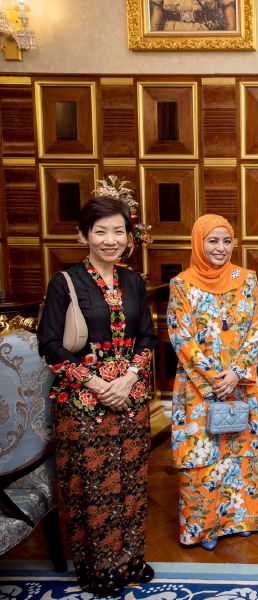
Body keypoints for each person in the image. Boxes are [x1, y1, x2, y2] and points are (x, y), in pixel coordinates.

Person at [37, 196, 156, 595]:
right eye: (100, 231)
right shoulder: (65, 282)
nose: (110, 239)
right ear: (83, 235)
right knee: (94, 485)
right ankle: (100, 565)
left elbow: (147, 337)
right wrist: (96, 383)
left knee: (132, 482)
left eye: (118, 231)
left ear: (128, 236)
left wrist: (129, 379)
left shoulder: (134, 280)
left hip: (131, 399)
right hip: (84, 404)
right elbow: (50, 344)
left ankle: (132, 557)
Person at [167, 214, 258, 551]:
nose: (220, 248)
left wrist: (236, 373)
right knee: (202, 456)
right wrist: (214, 379)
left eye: (226, 241)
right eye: (212, 241)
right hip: (199, 391)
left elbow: (255, 329)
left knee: (241, 451)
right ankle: (203, 527)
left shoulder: (247, 280)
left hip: (240, 385)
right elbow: (181, 337)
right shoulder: (181, 285)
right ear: (199, 243)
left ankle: (241, 519)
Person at [149, 0, 237, 32]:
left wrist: (232, 41)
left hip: (204, 34)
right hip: (172, 34)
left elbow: (228, 8)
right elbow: (157, 9)